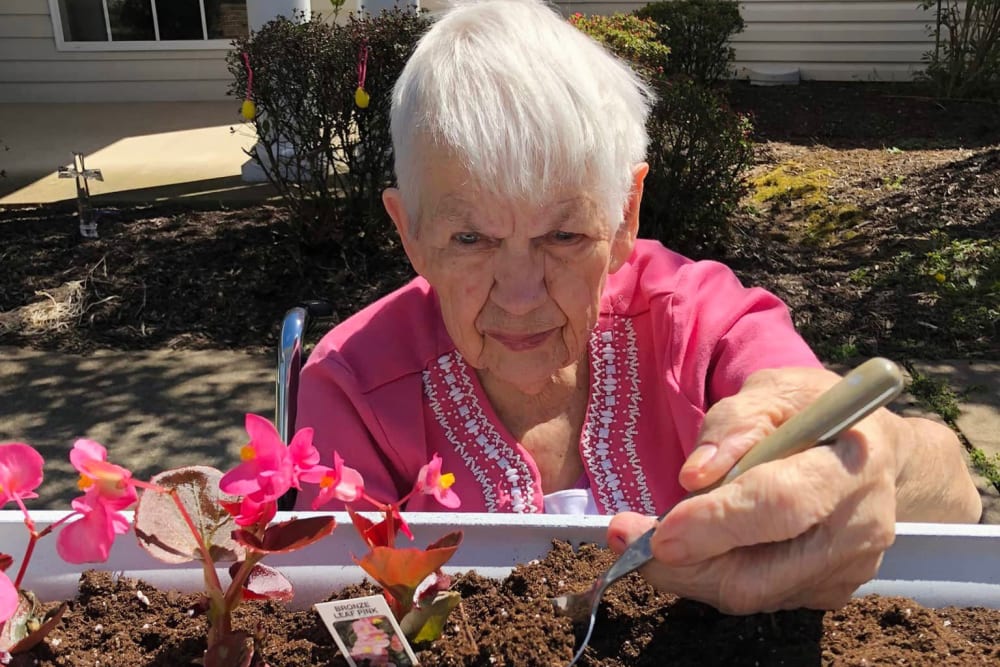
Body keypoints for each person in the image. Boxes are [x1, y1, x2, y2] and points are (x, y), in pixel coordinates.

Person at [295, 0, 981, 613]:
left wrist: (883, 458)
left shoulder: (704, 322)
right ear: (409, 234)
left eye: (563, 235)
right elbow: (337, 610)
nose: (521, 292)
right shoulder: (352, 384)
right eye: (470, 238)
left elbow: (954, 497)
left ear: (625, 215)